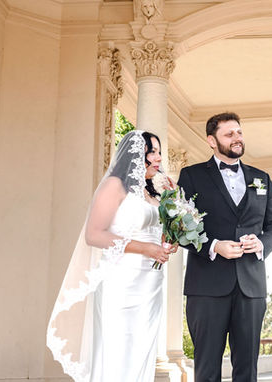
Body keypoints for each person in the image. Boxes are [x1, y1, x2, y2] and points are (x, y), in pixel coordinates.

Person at [47, 130, 176, 382]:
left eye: (160, 152)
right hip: (122, 283)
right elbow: (93, 235)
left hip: (151, 285)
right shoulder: (114, 185)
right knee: (119, 352)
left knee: (142, 352)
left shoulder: (152, 193)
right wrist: (145, 249)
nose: (159, 158)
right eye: (153, 152)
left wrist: (172, 219)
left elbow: (162, 233)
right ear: (138, 156)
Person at [178, 112, 272, 382]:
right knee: (207, 368)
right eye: (229, 134)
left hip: (251, 288)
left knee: (247, 369)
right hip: (206, 287)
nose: (237, 138)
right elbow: (180, 228)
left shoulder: (262, 178)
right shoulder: (191, 176)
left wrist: (261, 243)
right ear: (212, 141)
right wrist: (214, 246)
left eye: (239, 132)